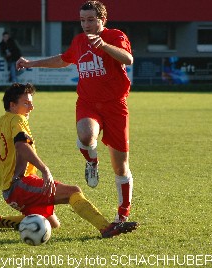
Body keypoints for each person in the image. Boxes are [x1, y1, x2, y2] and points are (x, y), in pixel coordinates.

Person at [16, 0, 135, 224]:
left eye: (91, 19)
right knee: (85, 136)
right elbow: (63, 60)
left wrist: (105, 47)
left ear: (102, 20)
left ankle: (123, 213)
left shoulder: (115, 36)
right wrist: (31, 63)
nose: (86, 24)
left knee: (120, 167)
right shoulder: (79, 41)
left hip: (115, 106)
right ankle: (92, 162)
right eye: (82, 20)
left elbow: (128, 59)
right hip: (88, 103)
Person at [0, 83, 138, 239]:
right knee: (73, 191)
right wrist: (44, 169)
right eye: (26, 103)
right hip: (20, 185)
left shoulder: (0, 122)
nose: (31, 107)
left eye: (31, 103)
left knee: (50, 223)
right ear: (12, 105)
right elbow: (22, 146)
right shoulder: (18, 120)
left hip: (9, 190)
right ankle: (106, 228)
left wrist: (6, 155)